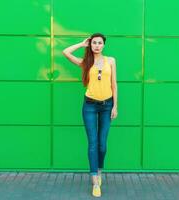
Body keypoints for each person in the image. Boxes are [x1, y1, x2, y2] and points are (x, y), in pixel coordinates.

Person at [62, 33, 118, 197]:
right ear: (90, 44)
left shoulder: (111, 61)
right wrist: (81, 44)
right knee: (93, 143)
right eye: (94, 43)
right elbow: (65, 52)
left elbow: (114, 85)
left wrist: (115, 106)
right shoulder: (86, 62)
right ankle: (95, 181)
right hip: (90, 106)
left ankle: (99, 170)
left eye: (100, 43)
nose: (97, 45)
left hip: (107, 106)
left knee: (102, 144)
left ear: (103, 45)